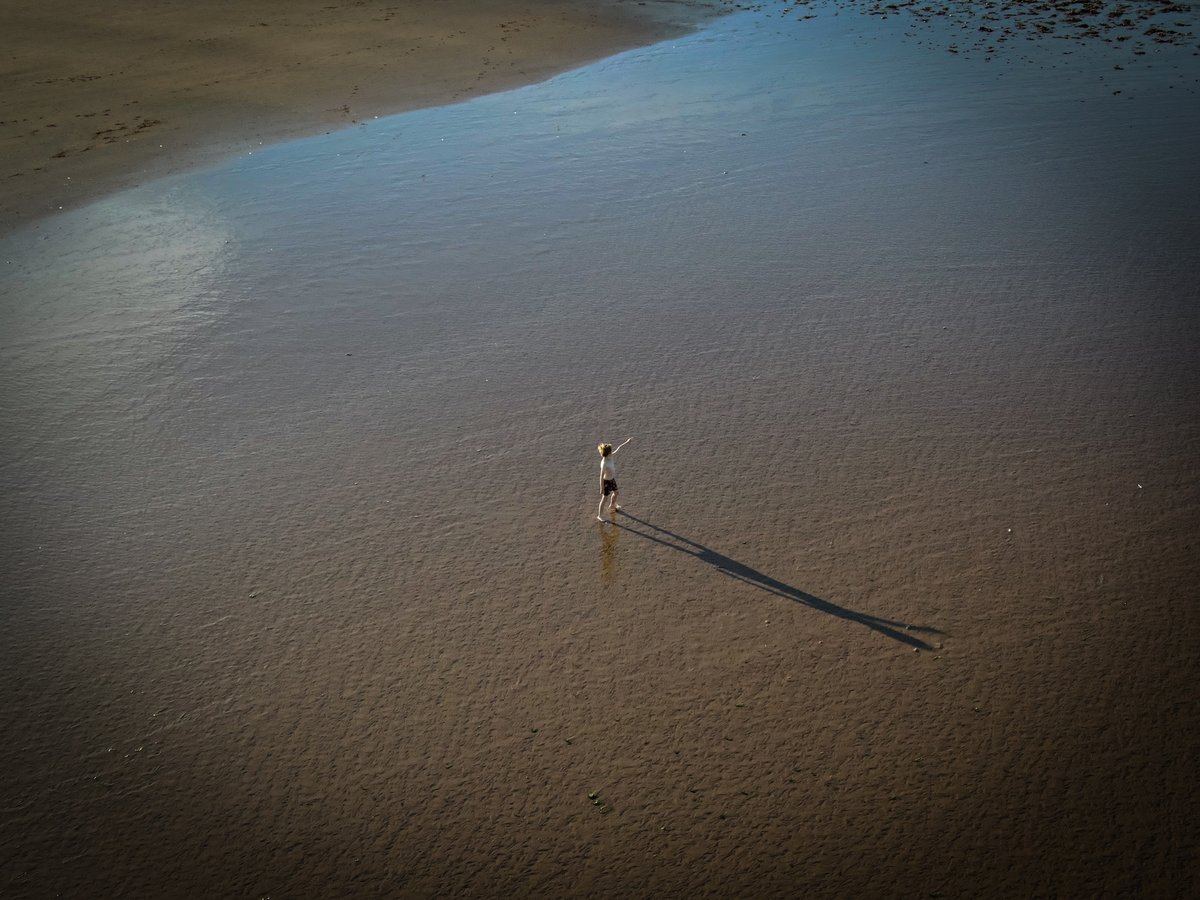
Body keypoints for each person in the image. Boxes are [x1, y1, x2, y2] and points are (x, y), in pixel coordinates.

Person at [596, 437, 631, 521]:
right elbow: (601, 476)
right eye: (610, 451)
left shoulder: (610, 456)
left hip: (612, 479)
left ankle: (612, 505)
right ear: (607, 454)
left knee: (616, 493)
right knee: (604, 499)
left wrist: (627, 442)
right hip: (606, 482)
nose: (612, 452)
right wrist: (601, 488)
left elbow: (619, 448)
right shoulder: (604, 463)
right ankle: (599, 516)